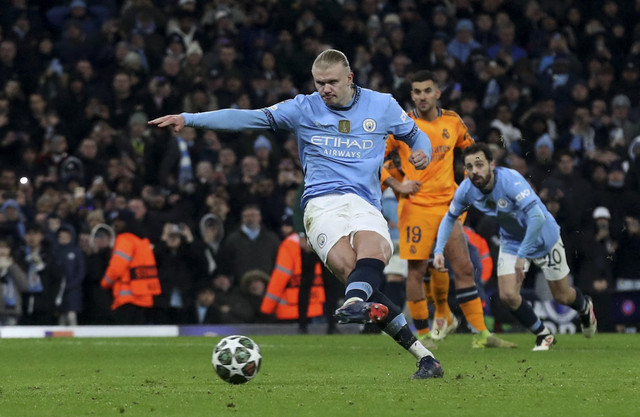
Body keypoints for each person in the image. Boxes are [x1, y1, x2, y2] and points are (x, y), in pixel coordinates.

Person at [149, 48, 441, 379]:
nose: (325, 89)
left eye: (331, 82)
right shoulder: (303, 108)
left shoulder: (382, 105)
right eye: (319, 83)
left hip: (364, 202)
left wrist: (422, 153)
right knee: (353, 271)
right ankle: (363, 307)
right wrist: (189, 118)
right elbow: (246, 117)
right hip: (321, 204)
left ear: (350, 78)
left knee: (374, 256)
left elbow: (416, 134)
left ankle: (422, 356)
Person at [382, 70, 514, 349]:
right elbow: (375, 160)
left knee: (464, 268)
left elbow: (472, 151)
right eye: (416, 92)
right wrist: (398, 184)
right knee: (416, 271)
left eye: (426, 91)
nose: (421, 97)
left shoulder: (452, 122)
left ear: (437, 93)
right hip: (415, 207)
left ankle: (481, 334)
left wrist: (473, 184)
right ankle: (422, 335)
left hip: (448, 206)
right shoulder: (402, 124)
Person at [433, 143, 598, 351]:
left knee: (562, 296)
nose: (475, 171)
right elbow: (450, 218)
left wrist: (523, 256)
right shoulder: (467, 189)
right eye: (469, 167)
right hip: (512, 240)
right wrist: (439, 250)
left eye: (479, 165)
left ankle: (584, 307)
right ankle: (543, 334)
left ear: (491, 164)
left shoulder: (510, 180)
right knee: (508, 295)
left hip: (543, 237)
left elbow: (536, 218)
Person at [100, 210, 161, 324]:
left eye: (118, 221)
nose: (115, 225)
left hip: (127, 298)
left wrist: (105, 283)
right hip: (144, 297)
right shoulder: (142, 241)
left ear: (125, 223)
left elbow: (117, 268)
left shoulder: (125, 239)